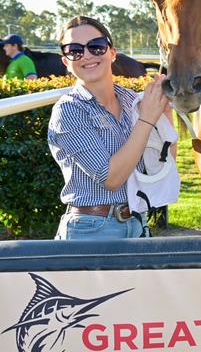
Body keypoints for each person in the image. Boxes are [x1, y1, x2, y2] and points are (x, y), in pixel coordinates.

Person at [48, 16, 171, 239]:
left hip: (137, 223)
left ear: (112, 53)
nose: (86, 55)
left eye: (96, 46)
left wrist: (164, 111)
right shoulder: (68, 111)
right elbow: (111, 178)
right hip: (90, 231)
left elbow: (161, 161)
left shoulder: (131, 100)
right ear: (66, 61)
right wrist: (147, 120)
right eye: (74, 50)